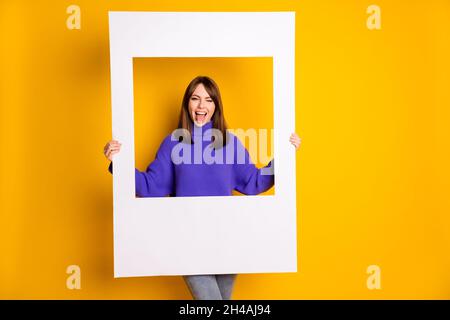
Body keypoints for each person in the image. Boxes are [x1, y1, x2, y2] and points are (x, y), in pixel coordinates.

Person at [103, 76, 301, 299]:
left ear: (216, 106)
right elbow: (150, 186)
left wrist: (284, 158)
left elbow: (253, 181)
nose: (201, 106)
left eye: (208, 100)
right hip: (188, 241)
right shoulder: (173, 143)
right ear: (187, 104)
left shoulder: (229, 142)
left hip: (227, 239)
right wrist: (118, 164)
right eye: (195, 98)